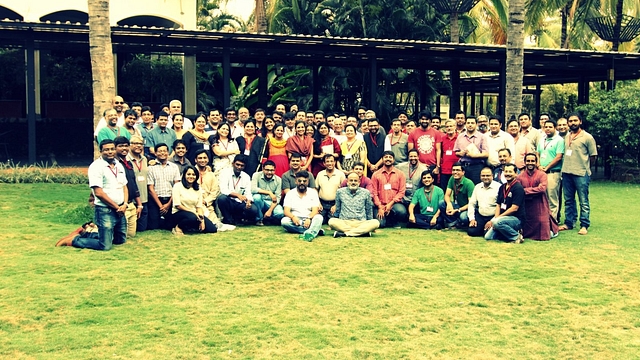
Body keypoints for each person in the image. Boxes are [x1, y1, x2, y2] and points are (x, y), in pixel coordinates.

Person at [56, 140, 127, 250]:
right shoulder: (96, 167)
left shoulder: (118, 165)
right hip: (105, 210)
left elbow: (124, 186)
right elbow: (98, 193)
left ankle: (86, 233)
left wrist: (125, 204)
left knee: (120, 240)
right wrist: (117, 207)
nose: (110, 152)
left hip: (120, 209)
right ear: (100, 151)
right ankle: (73, 240)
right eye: (106, 150)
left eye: (112, 149)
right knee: (105, 246)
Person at [559, 112, 597, 235]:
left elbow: (593, 156)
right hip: (566, 172)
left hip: (581, 173)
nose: (573, 123)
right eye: (570, 121)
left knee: (583, 200)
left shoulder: (587, 137)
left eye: (575, 121)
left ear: (580, 121)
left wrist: (585, 167)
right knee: (568, 200)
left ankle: (584, 225)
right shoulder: (566, 137)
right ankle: (569, 223)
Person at [518, 153, 559, 240]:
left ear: (536, 162)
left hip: (540, 203)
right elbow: (519, 191)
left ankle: (552, 231)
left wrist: (525, 190)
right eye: (528, 161)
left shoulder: (542, 174)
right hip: (527, 205)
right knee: (526, 223)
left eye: (532, 161)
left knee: (542, 225)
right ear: (525, 162)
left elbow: (542, 189)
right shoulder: (520, 176)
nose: (530, 163)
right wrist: (534, 190)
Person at [330, 171, 380, 237]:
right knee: (331, 221)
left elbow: (368, 210)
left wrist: (370, 223)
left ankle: (346, 234)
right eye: (351, 180)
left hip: (361, 222)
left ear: (359, 182)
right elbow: (338, 209)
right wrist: (334, 222)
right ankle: (362, 233)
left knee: (375, 223)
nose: (353, 182)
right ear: (347, 182)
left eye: (355, 181)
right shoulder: (340, 192)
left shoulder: (366, 193)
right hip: (344, 222)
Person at [485, 163, 526, 243]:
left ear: (516, 173)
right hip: (502, 219)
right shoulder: (502, 187)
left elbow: (514, 208)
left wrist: (497, 219)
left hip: (516, 219)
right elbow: (498, 204)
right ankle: (509, 233)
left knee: (497, 223)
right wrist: (495, 218)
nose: (507, 174)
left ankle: (517, 236)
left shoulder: (518, 188)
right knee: (488, 237)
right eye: (506, 171)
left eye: (510, 171)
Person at [171, 166, 217, 235]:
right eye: (188, 174)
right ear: (184, 175)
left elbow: (199, 207)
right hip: (179, 213)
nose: (191, 176)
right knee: (192, 217)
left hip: (194, 214)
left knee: (212, 229)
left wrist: (202, 220)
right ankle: (178, 227)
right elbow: (178, 205)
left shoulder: (198, 188)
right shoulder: (177, 186)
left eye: (193, 174)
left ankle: (190, 227)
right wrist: (194, 213)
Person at [281, 170, 325, 241]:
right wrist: (293, 217)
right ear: (296, 181)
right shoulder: (290, 193)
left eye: (304, 181)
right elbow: (286, 211)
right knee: (284, 221)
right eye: (299, 181)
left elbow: (315, 210)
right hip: (295, 219)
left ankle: (310, 232)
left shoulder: (313, 192)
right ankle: (314, 230)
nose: (302, 183)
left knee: (319, 217)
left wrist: (309, 218)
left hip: (309, 218)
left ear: (308, 181)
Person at [147, 143, 181, 230]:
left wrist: (168, 205)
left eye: (164, 151)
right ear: (155, 153)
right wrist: (161, 206)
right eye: (160, 151)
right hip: (156, 200)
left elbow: (176, 187)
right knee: (153, 226)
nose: (162, 153)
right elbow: (151, 189)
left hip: (170, 199)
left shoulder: (174, 167)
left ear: (168, 152)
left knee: (170, 225)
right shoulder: (151, 168)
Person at [114, 136, 143, 239]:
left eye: (126, 146)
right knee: (120, 236)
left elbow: (133, 184)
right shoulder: (114, 164)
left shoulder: (128, 163)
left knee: (131, 234)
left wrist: (139, 205)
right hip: (121, 205)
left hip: (131, 204)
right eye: (121, 146)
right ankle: (90, 230)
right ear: (115, 147)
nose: (124, 148)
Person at [217, 154, 259, 225]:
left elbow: (248, 193)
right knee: (221, 198)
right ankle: (228, 219)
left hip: (240, 203)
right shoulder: (225, 173)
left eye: (242, 166)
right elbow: (223, 190)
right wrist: (237, 195)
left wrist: (249, 201)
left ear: (245, 166)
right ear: (233, 163)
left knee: (253, 209)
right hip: (228, 201)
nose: (239, 167)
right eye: (237, 164)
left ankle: (238, 218)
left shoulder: (246, 177)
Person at [370, 151, 407, 228]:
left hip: (394, 204)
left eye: (390, 157)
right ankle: (385, 220)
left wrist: (390, 204)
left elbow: (401, 192)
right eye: (386, 157)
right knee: (381, 224)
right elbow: (374, 192)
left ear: (393, 160)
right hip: (380, 204)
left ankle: (393, 220)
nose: (388, 159)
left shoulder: (400, 174)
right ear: (382, 159)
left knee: (401, 211)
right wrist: (380, 207)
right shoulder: (376, 174)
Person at [537, 119, 564, 220]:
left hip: (553, 173)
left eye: (550, 127)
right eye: (546, 127)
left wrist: (547, 167)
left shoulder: (559, 140)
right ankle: (543, 221)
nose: (548, 129)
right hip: (541, 172)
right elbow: (537, 154)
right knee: (542, 198)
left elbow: (558, 157)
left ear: (555, 128)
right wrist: (539, 165)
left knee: (552, 199)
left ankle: (553, 222)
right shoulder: (542, 140)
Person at [193, 149, 226, 229]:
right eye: (200, 158)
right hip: (193, 204)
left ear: (208, 160)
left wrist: (206, 201)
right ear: (195, 160)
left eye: (205, 158)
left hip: (207, 205)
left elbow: (214, 191)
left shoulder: (211, 175)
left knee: (214, 224)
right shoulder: (190, 172)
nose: (202, 160)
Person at [439, 162, 474, 229]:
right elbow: (447, 195)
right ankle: (453, 224)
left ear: (463, 172)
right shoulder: (452, 179)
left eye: (458, 170)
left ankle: (462, 224)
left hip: (467, 208)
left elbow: (471, 204)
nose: (455, 172)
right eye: (453, 170)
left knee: (463, 217)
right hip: (457, 205)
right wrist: (449, 204)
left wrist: (458, 210)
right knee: (442, 203)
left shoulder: (469, 183)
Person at [467, 167, 501, 237]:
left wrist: (493, 221)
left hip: (493, 216)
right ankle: (484, 229)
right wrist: (472, 219)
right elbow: (471, 204)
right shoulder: (477, 187)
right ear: (480, 176)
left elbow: (501, 207)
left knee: (487, 234)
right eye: (483, 175)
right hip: (481, 216)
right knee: (471, 232)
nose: (485, 177)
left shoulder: (499, 187)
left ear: (492, 176)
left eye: (488, 175)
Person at [454, 117, 489, 184]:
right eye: (468, 123)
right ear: (465, 124)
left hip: (476, 166)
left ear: (476, 124)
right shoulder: (460, 136)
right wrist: (460, 153)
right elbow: (456, 152)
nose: (470, 125)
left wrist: (474, 156)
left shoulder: (482, 137)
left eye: (472, 123)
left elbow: (486, 154)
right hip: (463, 166)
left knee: (476, 186)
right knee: (463, 186)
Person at [127, 135, 150, 232]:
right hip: (132, 199)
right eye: (135, 143)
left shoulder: (144, 159)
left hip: (144, 197)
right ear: (130, 145)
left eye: (140, 144)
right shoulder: (126, 160)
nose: (138, 146)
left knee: (142, 228)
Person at [251, 160, 284, 226]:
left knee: (280, 213)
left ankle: (267, 219)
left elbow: (277, 198)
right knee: (256, 197)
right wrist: (269, 193)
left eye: (272, 170)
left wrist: (270, 211)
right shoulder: (256, 175)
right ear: (263, 169)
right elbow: (253, 189)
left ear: (275, 170)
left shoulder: (278, 180)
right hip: (260, 201)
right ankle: (259, 219)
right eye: (267, 170)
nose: (269, 172)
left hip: (270, 203)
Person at [316, 154, 346, 224]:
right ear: (324, 163)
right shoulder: (320, 174)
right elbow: (315, 189)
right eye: (327, 161)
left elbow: (344, 191)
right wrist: (318, 203)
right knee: (319, 220)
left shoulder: (340, 174)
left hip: (334, 203)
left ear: (335, 162)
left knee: (332, 222)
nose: (330, 163)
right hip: (322, 203)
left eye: (331, 161)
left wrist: (336, 205)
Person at [440, 119, 459, 190]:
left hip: (456, 169)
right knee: (444, 190)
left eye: (451, 126)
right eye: (447, 126)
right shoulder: (442, 139)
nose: (449, 128)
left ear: (455, 127)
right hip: (445, 170)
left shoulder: (460, 138)